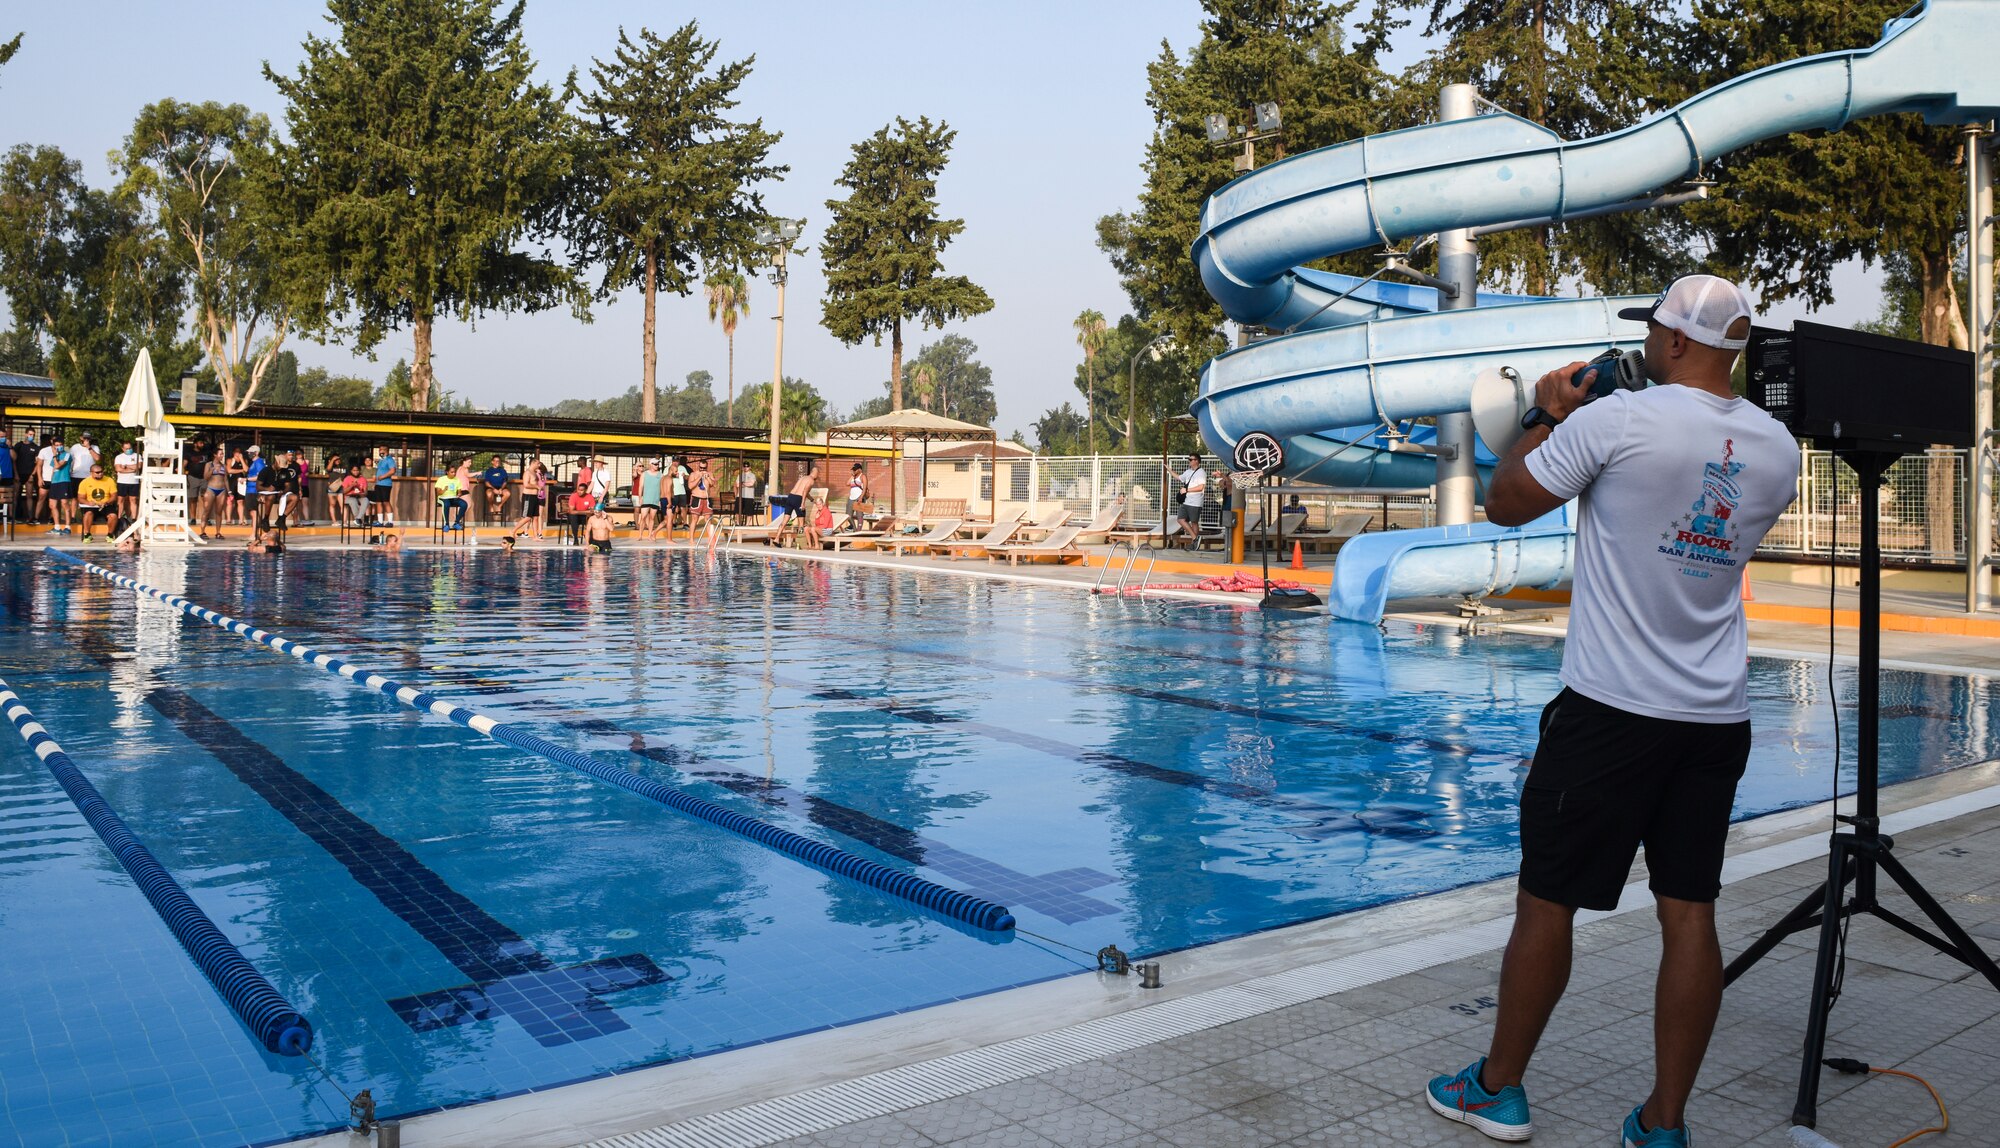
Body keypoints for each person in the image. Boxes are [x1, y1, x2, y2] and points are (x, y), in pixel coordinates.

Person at [1422, 275, 1801, 1148]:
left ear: (1671, 341)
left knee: (1547, 903)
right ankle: (1663, 1124)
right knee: (1690, 912)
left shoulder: (1616, 420)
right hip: (1714, 719)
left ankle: (1498, 1090)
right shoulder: (1779, 449)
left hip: (1610, 712)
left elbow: (1506, 502)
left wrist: (1546, 414)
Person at [260, 449, 301, 540]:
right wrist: (268, 489)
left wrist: (284, 491)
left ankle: (282, 519)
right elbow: (258, 486)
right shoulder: (266, 470)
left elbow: (288, 486)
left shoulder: (285, 471)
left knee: (295, 498)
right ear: (276, 462)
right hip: (267, 494)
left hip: (280, 494)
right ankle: (265, 519)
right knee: (271, 496)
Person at [75, 465, 119, 542]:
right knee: (88, 514)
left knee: (113, 516)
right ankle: (87, 535)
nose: (100, 474)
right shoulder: (84, 482)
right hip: (92, 506)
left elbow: (114, 496)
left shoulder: (109, 480)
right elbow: (80, 498)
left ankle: (110, 535)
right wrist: (89, 503)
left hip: (106, 505)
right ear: (91, 473)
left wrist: (106, 502)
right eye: (97, 472)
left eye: (102, 472)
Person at [1174, 454, 1206, 549]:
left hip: (1195, 502)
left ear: (1197, 461)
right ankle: (1195, 538)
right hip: (1187, 501)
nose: (1190, 461)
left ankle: (1194, 543)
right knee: (1180, 519)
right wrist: (1169, 469)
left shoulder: (1201, 472)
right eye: (1189, 459)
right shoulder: (1188, 472)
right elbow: (1178, 478)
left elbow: (1201, 487)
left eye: (1191, 459)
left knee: (1194, 522)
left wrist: (1187, 490)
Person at [198, 449, 230, 538]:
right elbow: (205, 477)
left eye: (222, 454)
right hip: (211, 489)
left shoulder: (223, 465)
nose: (222, 455)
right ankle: (202, 532)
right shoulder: (209, 464)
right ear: (215, 455)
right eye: (220, 454)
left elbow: (226, 479)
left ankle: (218, 532)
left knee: (219, 512)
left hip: (222, 490)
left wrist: (229, 491)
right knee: (206, 510)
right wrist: (212, 469)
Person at [516, 457, 547, 541]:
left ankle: (535, 536)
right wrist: (537, 486)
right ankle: (513, 531)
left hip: (535, 497)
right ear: (533, 463)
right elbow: (526, 485)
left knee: (536, 517)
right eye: (538, 463)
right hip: (528, 497)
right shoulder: (527, 473)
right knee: (527, 517)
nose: (539, 465)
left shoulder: (535, 472)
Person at [113, 439, 141, 525]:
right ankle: (119, 517)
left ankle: (133, 518)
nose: (129, 450)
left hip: (134, 482)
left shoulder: (137, 455)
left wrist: (125, 466)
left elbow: (138, 466)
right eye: (126, 448)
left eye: (130, 448)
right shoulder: (119, 457)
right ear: (123, 448)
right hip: (122, 482)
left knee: (133, 500)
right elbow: (118, 469)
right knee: (121, 499)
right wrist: (132, 469)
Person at [635, 460, 664, 540]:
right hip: (646, 499)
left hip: (655, 499)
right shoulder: (644, 474)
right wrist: (640, 498)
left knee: (652, 518)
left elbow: (662, 488)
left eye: (657, 464)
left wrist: (660, 500)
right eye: (655, 464)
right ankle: (640, 535)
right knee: (643, 517)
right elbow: (641, 486)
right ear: (651, 464)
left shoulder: (660, 475)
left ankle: (649, 535)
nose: (657, 465)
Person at [370, 445, 398, 526]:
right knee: (378, 502)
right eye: (379, 450)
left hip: (386, 484)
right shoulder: (381, 460)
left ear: (386, 451)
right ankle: (380, 521)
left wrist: (383, 476)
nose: (380, 451)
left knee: (386, 502)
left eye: (382, 450)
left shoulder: (390, 459)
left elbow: (393, 471)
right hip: (378, 484)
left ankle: (390, 521)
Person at [434, 465, 465, 531]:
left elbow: (459, 491)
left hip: (453, 498)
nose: (454, 474)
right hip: (442, 498)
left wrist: (459, 494)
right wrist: (444, 489)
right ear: (447, 472)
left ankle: (456, 523)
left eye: (454, 472)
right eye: (452, 472)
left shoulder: (457, 480)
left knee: (464, 504)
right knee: (446, 504)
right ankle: (446, 524)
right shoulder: (441, 479)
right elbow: (438, 493)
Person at [481, 456, 511, 520]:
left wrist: (501, 489)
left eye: (498, 461)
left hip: (501, 488)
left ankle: (498, 506)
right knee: (489, 494)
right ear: (492, 462)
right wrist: (494, 489)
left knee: (508, 493)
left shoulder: (503, 471)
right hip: (491, 488)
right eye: (496, 461)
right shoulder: (489, 471)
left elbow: (505, 482)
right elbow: (486, 483)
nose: (497, 462)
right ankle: (491, 506)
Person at [689, 458, 714, 531]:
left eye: (704, 468)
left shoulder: (710, 474)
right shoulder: (693, 474)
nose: (702, 469)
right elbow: (690, 486)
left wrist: (708, 478)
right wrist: (699, 477)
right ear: (698, 466)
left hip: (706, 499)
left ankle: (710, 539)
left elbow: (713, 484)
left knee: (708, 519)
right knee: (694, 519)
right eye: (701, 468)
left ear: (707, 467)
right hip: (697, 498)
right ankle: (691, 540)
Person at [226, 445, 248, 525]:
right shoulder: (230, 460)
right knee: (230, 501)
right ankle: (228, 520)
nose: (237, 453)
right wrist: (241, 470)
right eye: (236, 452)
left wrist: (241, 459)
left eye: (239, 452)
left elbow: (246, 469)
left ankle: (241, 520)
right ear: (233, 453)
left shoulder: (244, 460)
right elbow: (229, 470)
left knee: (240, 501)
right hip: (232, 483)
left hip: (241, 484)